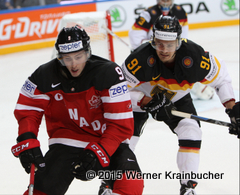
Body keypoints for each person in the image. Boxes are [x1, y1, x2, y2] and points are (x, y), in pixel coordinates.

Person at [11, 25, 144, 195]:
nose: (74, 64)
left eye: (78, 57)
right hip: (67, 140)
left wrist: (101, 151)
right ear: (59, 57)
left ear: (88, 52)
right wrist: (27, 138)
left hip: (104, 139)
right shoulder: (44, 75)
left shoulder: (109, 73)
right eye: (67, 58)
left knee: (132, 184)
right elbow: (28, 109)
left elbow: (120, 124)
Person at [122, 15, 240, 195]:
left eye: (169, 45)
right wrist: (147, 101)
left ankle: (188, 188)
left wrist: (233, 110)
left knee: (191, 131)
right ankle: (110, 182)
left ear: (178, 42)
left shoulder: (195, 57)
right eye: (160, 44)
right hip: (140, 99)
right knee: (126, 139)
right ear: (153, 41)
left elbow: (221, 79)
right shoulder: (138, 60)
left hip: (177, 98)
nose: (164, 50)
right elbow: (115, 92)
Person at [129, 0, 215, 101]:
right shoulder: (148, 14)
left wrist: (173, 49)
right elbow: (135, 36)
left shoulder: (180, 12)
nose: (165, 0)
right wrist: (155, 46)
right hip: (152, 53)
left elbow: (183, 38)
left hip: (171, 52)